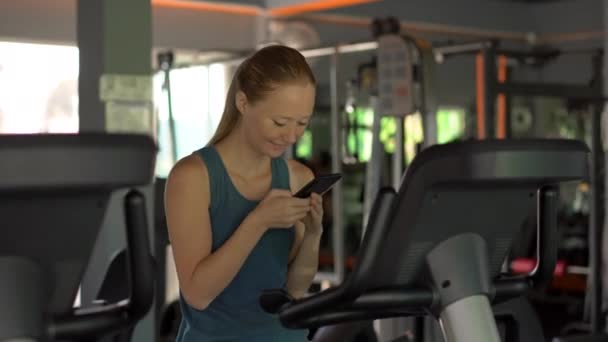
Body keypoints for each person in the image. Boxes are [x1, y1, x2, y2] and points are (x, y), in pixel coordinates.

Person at [165, 45, 322, 342]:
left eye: (302, 123)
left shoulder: (298, 177)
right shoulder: (192, 178)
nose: (291, 136)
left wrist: (314, 234)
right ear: (243, 102)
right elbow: (198, 294)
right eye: (279, 122)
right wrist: (258, 221)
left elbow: (295, 289)